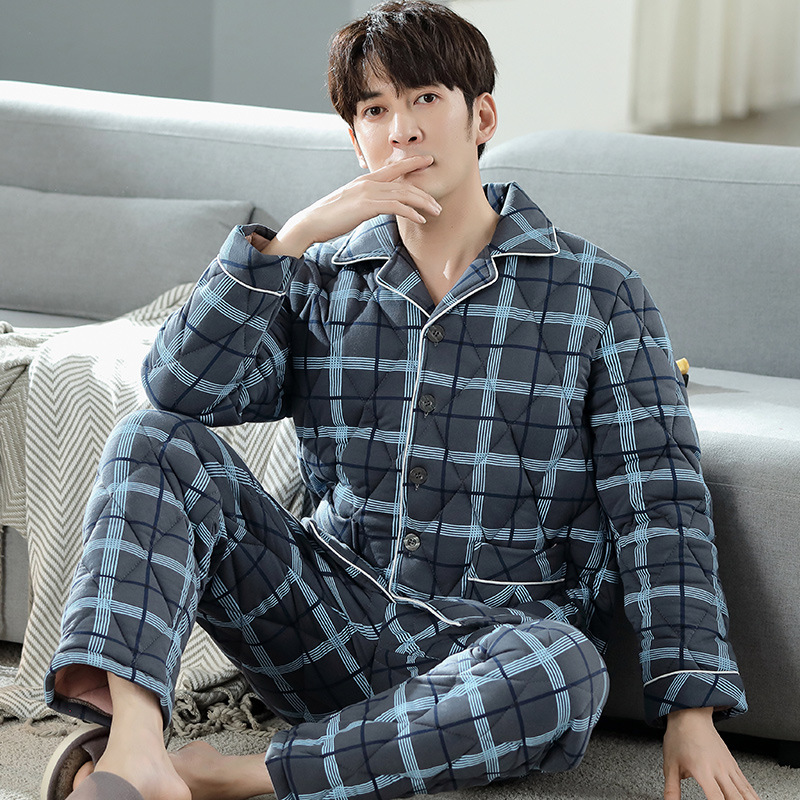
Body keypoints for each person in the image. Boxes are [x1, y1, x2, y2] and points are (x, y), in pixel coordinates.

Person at [42, 2, 761, 800]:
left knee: (569, 667)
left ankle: (238, 777)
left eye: (425, 98)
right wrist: (290, 241)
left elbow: (660, 501)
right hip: (326, 626)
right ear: (355, 139)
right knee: (150, 440)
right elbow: (177, 391)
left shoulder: (600, 294)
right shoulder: (321, 279)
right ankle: (137, 749)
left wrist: (690, 707)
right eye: (375, 110)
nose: (403, 130)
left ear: (481, 117)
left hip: (495, 653)